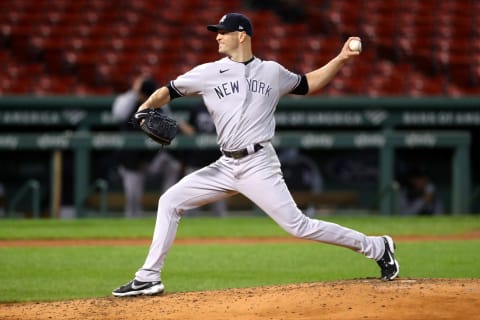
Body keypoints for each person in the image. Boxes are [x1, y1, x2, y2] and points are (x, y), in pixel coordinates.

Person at [112, 13, 399, 297]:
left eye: (223, 32)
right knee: (170, 201)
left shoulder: (272, 72)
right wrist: (143, 110)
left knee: (298, 226)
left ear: (241, 35)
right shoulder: (208, 72)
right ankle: (148, 277)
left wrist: (341, 59)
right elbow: (169, 91)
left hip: (259, 163)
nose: (217, 36)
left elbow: (308, 83)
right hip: (225, 165)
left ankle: (377, 246)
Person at [112, 75, 182, 218]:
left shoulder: (160, 105)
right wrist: (134, 92)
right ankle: (131, 229)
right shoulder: (129, 105)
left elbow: (170, 127)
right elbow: (117, 114)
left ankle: (168, 203)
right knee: (133, 204)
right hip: (132, 163)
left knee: (172, 166)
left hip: (152, 159)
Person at [182, 102, 227, 217]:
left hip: (218, 162)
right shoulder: (197, 107)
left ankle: (220, 232)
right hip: (196, 160)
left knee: (219, 210)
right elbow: (190, 128)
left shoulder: (223, 107)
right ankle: (191, 233)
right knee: (191, 205)